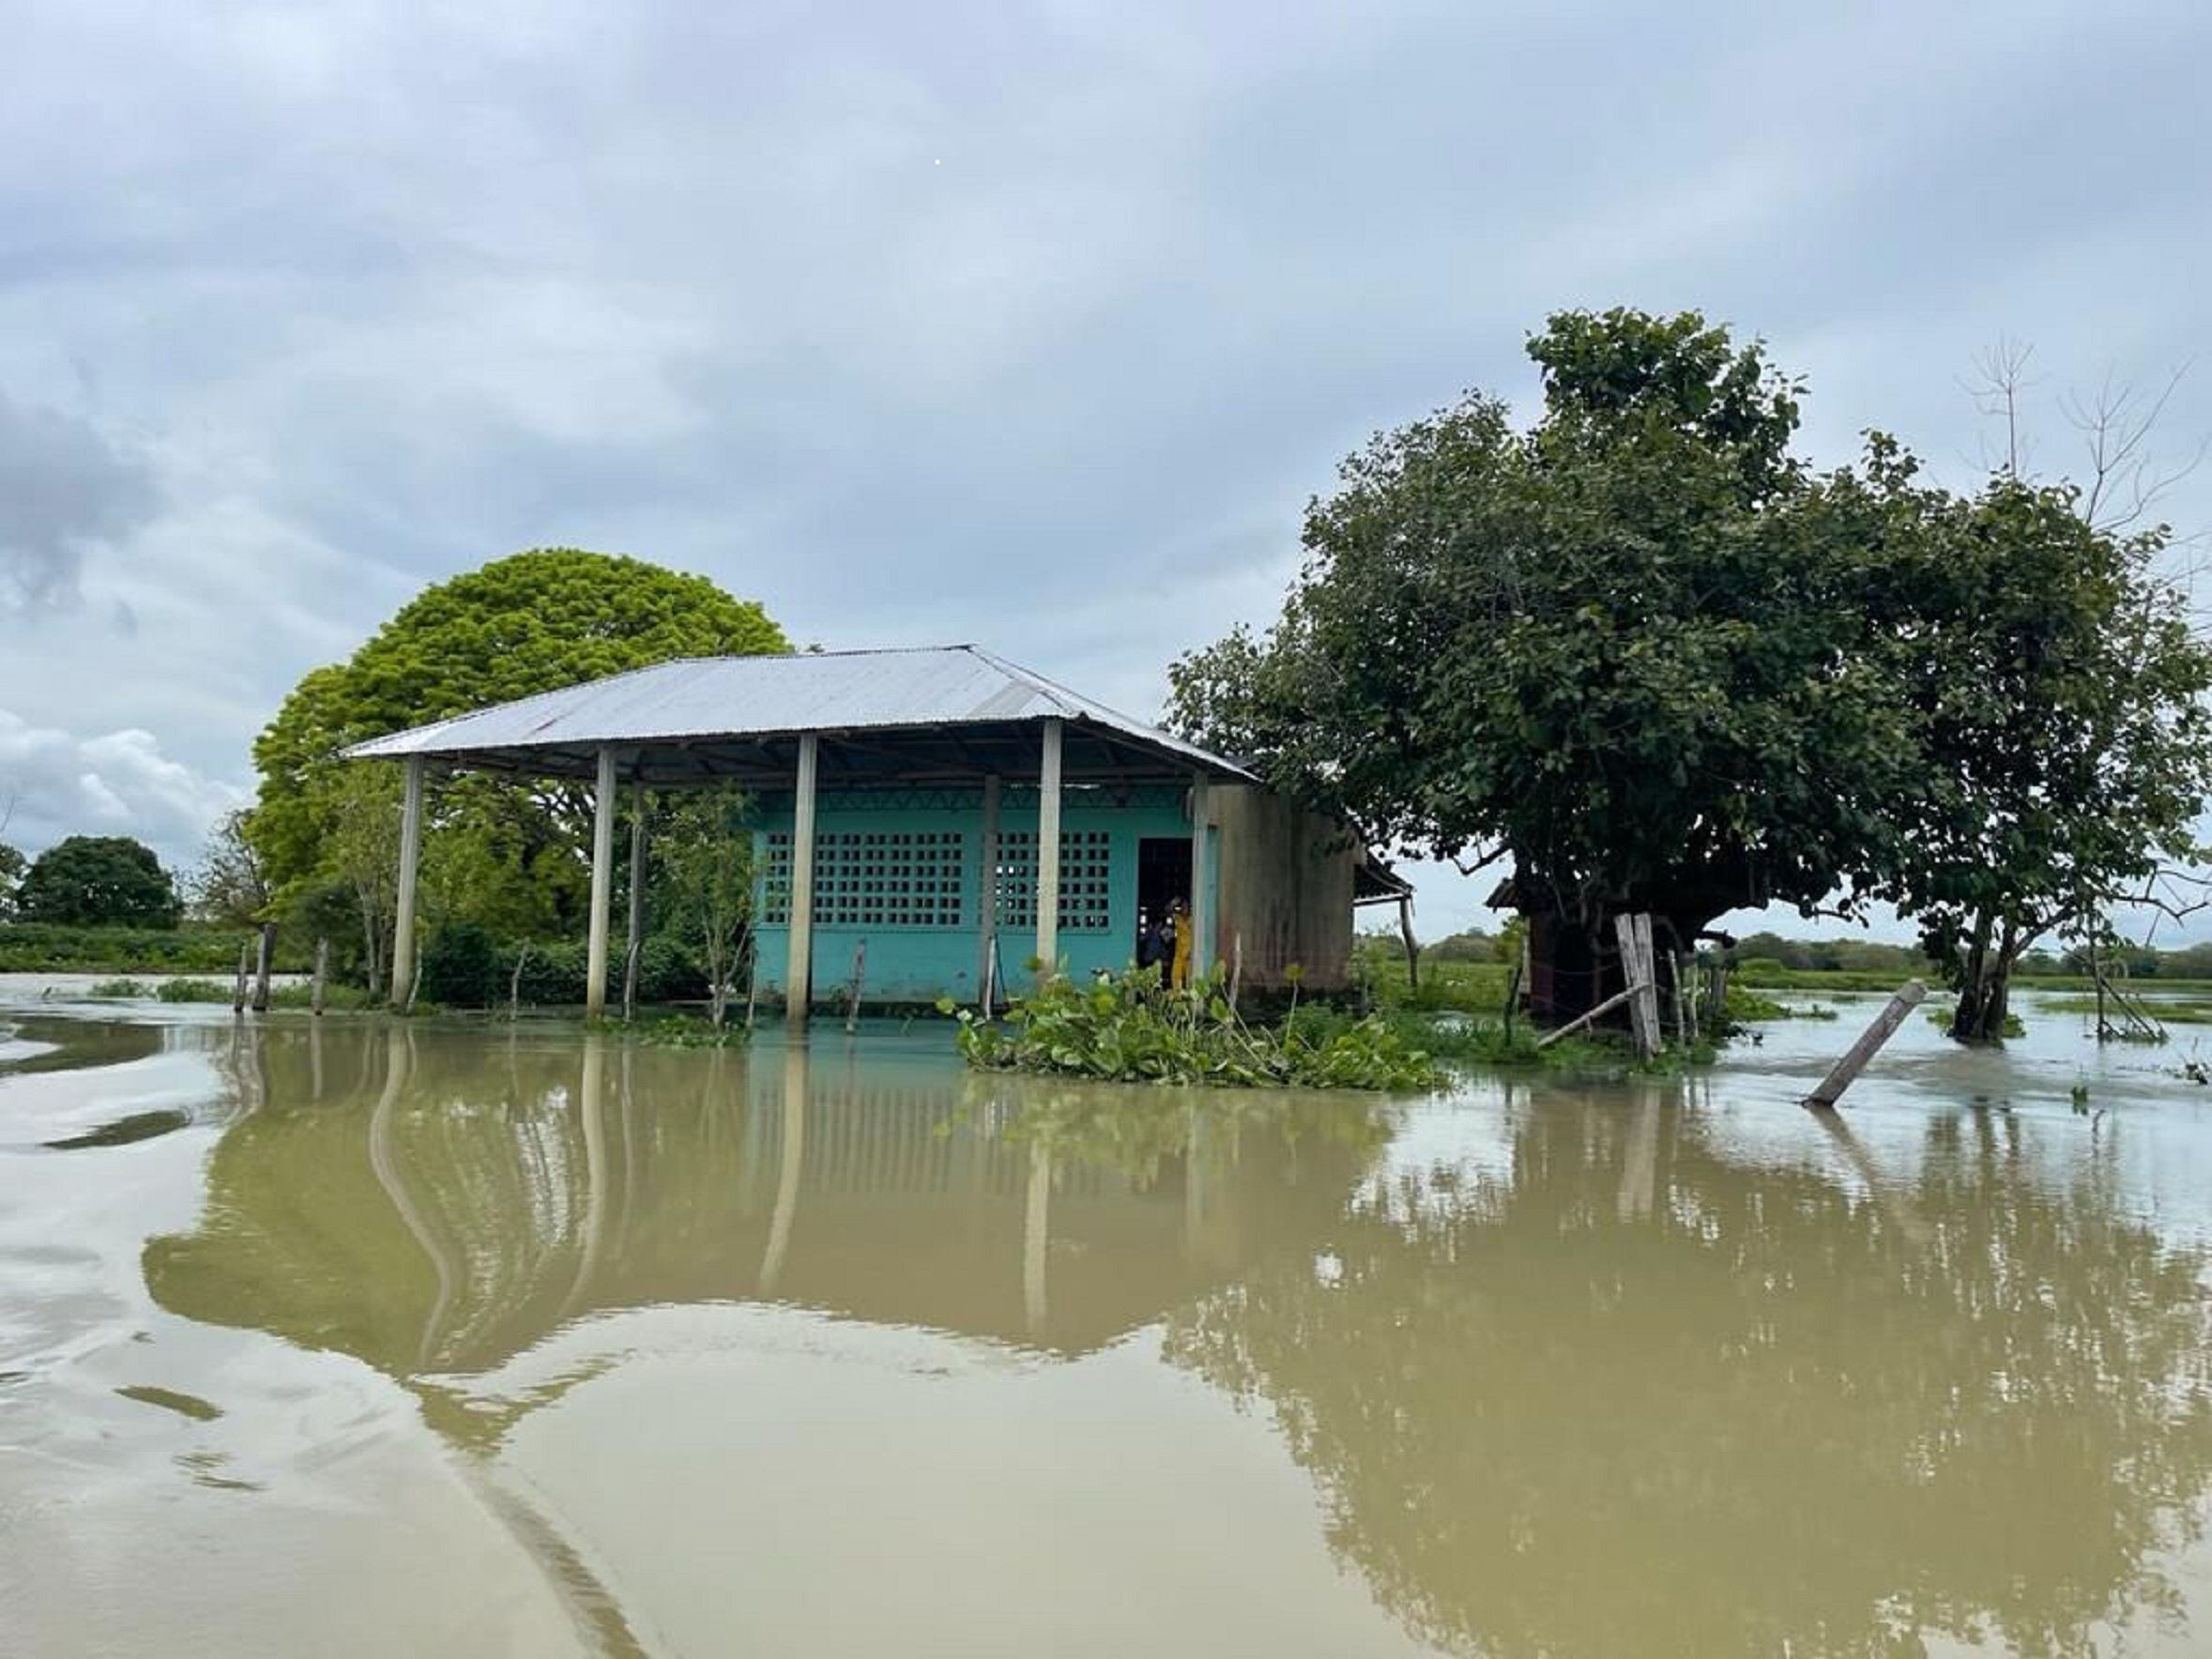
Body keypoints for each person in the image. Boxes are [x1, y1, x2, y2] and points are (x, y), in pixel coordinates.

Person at [1169, 897, 1193, 990]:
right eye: (1183, 906)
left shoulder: (1194, 919)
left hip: (1189, 955)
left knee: (1189, 980)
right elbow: (1168, 910)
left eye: (1186, 906)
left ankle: (1190, 1001)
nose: (1184, 908)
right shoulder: (1178, 918)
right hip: (1179, 954)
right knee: (1175, 977)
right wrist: (1173, 903)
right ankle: (1177, 998)